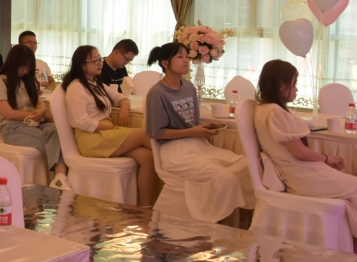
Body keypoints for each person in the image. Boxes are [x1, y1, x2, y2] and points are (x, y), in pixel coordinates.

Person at [143, 42, 253, 221]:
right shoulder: (157, 93)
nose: (186, 60)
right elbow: (155, 133)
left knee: (245, 165)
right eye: (180, 57)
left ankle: (241, 221)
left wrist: (205, 127)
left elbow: (189, 123)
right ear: (165, 63)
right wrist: (194, 132)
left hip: (198, 145)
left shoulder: (188, 87)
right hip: (175, 152)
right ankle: (215, 222)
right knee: (225, 177)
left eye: (187, 56)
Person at [254, 60, 357, 237]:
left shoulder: (263, 109)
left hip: (300, 174)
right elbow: (300, 152)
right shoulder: (274, 112)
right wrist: (327, 158)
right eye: (294, 84)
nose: (296, 90)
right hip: (303, 177)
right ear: (281, 85)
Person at [63, 45, 157, 205]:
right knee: (145, 134)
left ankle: (145, 208)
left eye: (99, 59)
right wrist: (108, 127)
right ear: (82, 65)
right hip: (91, 138)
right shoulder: (76, 87)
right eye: (95, 61)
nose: (100, 63)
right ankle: (176, 165)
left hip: (105, 132)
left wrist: (124, 108)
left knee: (147, 157)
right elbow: (81, 121)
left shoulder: (95, 83)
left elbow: (120, 97)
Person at [0, 45, 71, 190]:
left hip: (35, 123)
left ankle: (59, 177)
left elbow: (40, 104)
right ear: (13, 62)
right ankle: (60, 178)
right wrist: (34, 114)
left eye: (29, 67)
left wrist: (40, 112)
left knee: (59, 132)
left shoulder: (28, 81)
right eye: (23, 66)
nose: (25, 70)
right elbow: (8, 113)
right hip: (13, 128)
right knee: (56, 142)